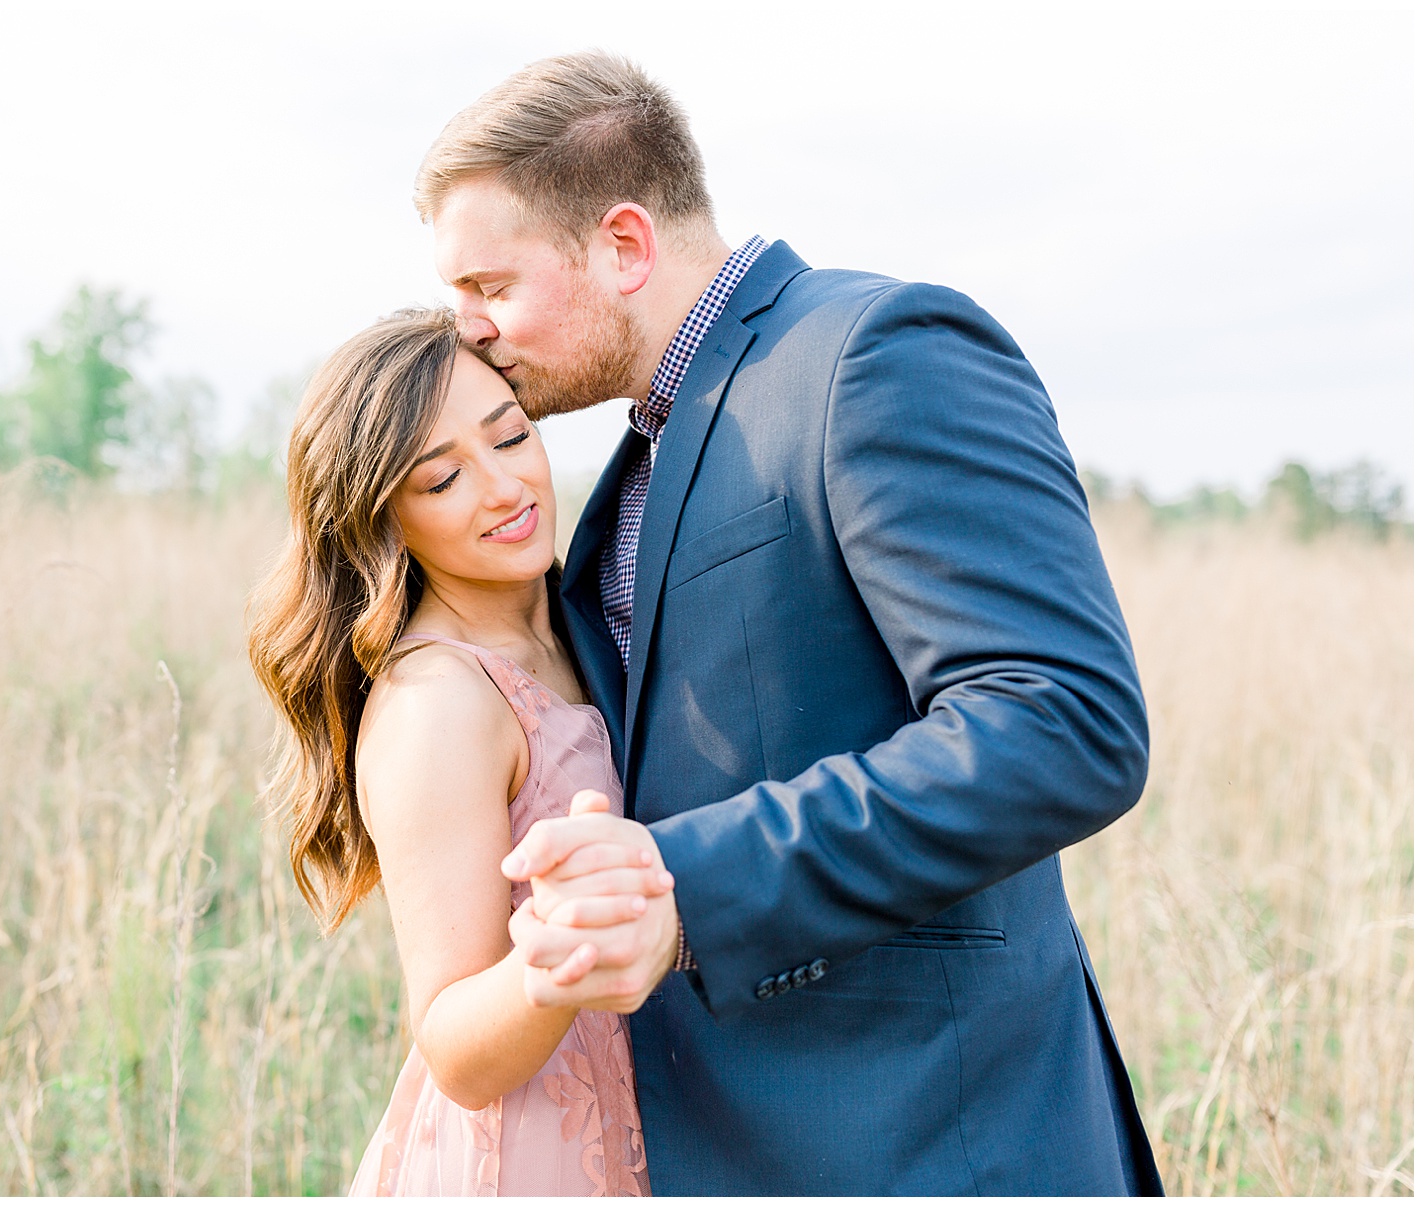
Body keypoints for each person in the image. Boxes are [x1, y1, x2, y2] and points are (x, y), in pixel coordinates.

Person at [414, 51, 1165, 1194]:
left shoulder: (874, 353)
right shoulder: (640, 454)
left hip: (925, 1142)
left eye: (489, 288)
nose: (466, 330)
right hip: (724, 1147)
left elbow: (1065, 723)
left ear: (623, 244)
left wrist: (685, 886)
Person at [245, 309, 655, 1196]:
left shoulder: (579, 619)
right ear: (381, 521)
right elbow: (454, 1048)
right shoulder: (439, 702)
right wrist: (560, 946)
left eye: (510, 436)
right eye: (442, 480)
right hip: (529, 1158)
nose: (505, 488)